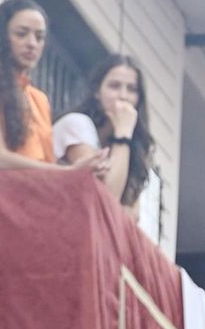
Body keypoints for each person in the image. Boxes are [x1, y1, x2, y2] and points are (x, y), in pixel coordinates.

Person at [0, 0, 103, 180]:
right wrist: (67, 172)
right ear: (0, 38)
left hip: (31, 195)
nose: (32, 43)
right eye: (21, 34)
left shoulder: (39, 99)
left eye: (39, 37)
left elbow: (44, 165)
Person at [52, 53, 156, 220]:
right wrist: (123, 134)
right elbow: (107, 197)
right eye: (114, 86)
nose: (123, 96)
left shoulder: (130, 150)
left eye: (132, 89)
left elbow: (132, 216)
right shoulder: (77, 124)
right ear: (97, 92)